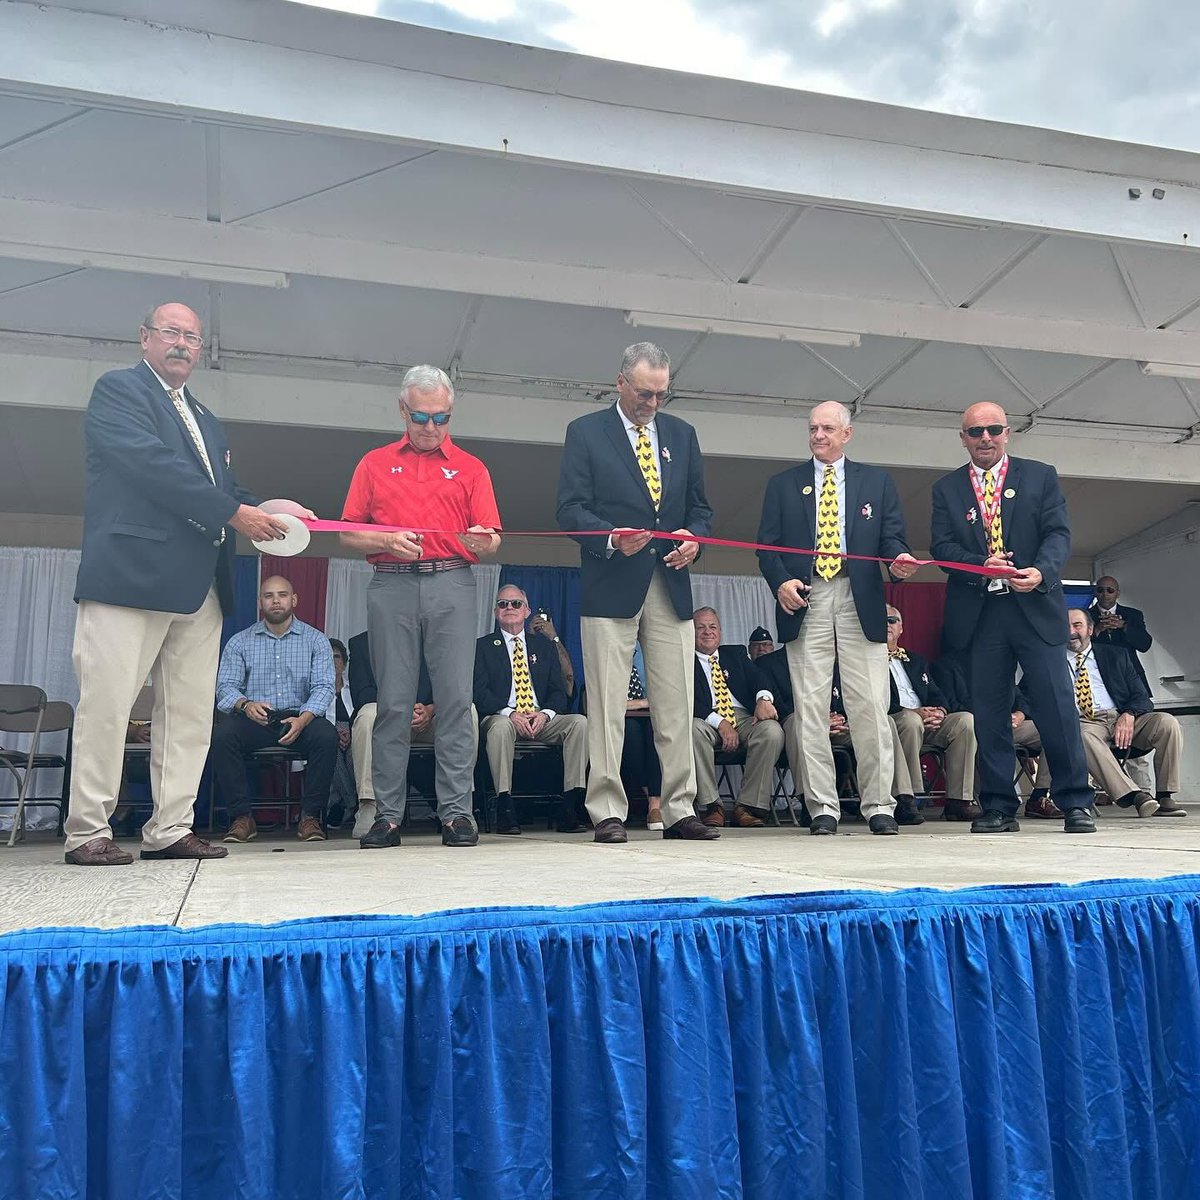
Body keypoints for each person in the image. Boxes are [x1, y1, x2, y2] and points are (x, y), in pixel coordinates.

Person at [64, 303, 292, 866]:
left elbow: (226, 487)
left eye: (193, 336)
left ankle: (170, 827)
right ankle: (87, 829)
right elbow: (153, 466)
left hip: (200, 584)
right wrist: (236, 511)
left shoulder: (207, 419)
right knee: (109, 705)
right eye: (171, 332)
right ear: (144, 338)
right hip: (130, 575)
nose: (183, 344)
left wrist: (272, 511)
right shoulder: (119, 391)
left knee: (189, 713)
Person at [557, 341, 717, 844]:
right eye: (645, 393)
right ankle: (606, 808)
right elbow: (570, 509)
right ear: (621, 382)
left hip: (671, 581)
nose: (652, 404)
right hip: (610, 584)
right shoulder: (585, 432)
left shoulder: (683, 435)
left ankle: (679, 808)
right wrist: (610, 537)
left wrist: (694, 540)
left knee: (676, 703)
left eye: (661, 395)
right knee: (606, 704)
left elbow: (701, 510)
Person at [340, 365, 500, 849]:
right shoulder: (374, 462)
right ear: (402, 410)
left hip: (451, 581)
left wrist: (483, 540)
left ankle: (456, 813)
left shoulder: (472, 467)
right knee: (392, 701)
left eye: (441, 417)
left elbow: (491, 538)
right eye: (421, 417)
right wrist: (386, 538)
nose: (431, 428)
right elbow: (348, 532)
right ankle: (387, 815)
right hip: (391, 583)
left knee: (455, 699)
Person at [931, 402, 1096, 833]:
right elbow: (942, 548)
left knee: (1057, 707)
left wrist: (1040, 571)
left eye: (993, 429)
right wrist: (980, 564)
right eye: (975, 431)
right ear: (962, 437)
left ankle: (1075, 801)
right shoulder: (947, 488)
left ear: (1007, 433)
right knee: (989, 712)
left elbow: (1058, 533)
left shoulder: (1040, 475)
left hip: (1035, 604)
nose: (985, 437)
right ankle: (1000, 805)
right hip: (981, 611)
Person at [757, 400, 919, 836]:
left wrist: (898, 560)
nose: (818, 436)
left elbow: (892, 541)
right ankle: (822, 807)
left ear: (847, 433)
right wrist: (781, 582)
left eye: (828, 428)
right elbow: (766, 548)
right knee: (810, 707)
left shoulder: (877, 482)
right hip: (806, 594)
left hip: (859, 595)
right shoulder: (783, 484)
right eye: (813, 429)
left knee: (870, 703)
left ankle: (879, 804)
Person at [213, 576, 338, 842]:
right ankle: (242, 818)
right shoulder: (240, 642)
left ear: (294, 600)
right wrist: (245, 705)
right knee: (223, 736)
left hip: (300, 715)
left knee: (327, 736)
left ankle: (310, 817)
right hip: (256, 718)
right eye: (269, 596)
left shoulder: (316, 640)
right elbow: (225, 688)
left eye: (282, 595)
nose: (276, 601)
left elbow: (325, 687)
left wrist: (303, 719)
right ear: (260, 603)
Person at [1030, 609, 1186, 817]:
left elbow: (1141, 696)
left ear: (1091, 629)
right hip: (1083, 722)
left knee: (1167, 723)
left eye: (1077, 625)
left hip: (1118, 717)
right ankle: (1133, 796)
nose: (1070, 631)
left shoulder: (1115, 654)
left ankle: (1165, 795)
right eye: (1065, 626)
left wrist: (1129, 714)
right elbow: (1026, 693)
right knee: (1082, 734)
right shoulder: (1050, 660)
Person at [474, 585, 588, 835]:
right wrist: (510, 713)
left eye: (516, 604)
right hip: (501, 717)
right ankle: (504, 805)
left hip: (539, 717)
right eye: (503, 604)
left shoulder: (544, 646)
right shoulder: (482, 647)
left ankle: (571, 803)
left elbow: (559, 691)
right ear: (495, 612)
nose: (509, 608)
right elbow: (479, 692)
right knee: (502, 727)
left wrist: (545, 714)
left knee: (579, 723)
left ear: (527, 611)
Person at [884, 606, 979, 824]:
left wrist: (940, 711)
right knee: (909, 721)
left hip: (927, 723)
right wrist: (914, 712)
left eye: (892, 620)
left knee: (965, 720)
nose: (887, 624)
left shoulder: (915, 660)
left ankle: (959, 800)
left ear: (901, 628)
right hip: (897, 721)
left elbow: (937, 694)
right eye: (881, 620)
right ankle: (907, 798)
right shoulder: (865, 662)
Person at [691, 607, 783, 828]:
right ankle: (712, 806)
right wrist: (720, 722)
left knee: (772, 731)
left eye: (712, 626)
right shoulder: (682, 659)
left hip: (742, 716)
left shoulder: (735, 654)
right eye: (700, 627)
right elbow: (685, 700)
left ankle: (747, 806)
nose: (707, 632)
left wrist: (763, 699)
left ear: (720, 632)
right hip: (706, 718)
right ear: (690, 632)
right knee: (692, 730)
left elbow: (760, 678)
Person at [1088, 576, 1154, 696]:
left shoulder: (1132, 614)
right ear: (1095, 592)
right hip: (1099, 674)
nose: (1105, 594)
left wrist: (1124, 626)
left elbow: (1145, 645)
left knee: (1140, 711)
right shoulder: (1085, 615)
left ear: (1117, 594)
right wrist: (1097, 630)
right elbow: (1075, 645)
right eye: (1100, 590)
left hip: (1130, 674)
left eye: (1110, 590)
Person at [621, 643, 663, 829]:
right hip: (624, 715)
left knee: (657, 733)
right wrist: (641, 703)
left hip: (655, 712)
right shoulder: (613, 646)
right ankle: (651, 798)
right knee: (631, 734)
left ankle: (655, 804)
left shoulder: (655, 646)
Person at [326, 639, 356, 828]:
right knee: (332, 753)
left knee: (356, 755)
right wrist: (335, 732)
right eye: (328, 657)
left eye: (337, 657)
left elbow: (360, 714)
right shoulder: (317, 689)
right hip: (328, 734)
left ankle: (338, 804)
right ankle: (353, 803)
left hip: (353, 733)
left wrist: (350, 732)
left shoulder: (353, 688)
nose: (333, 661)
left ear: (344, 662)